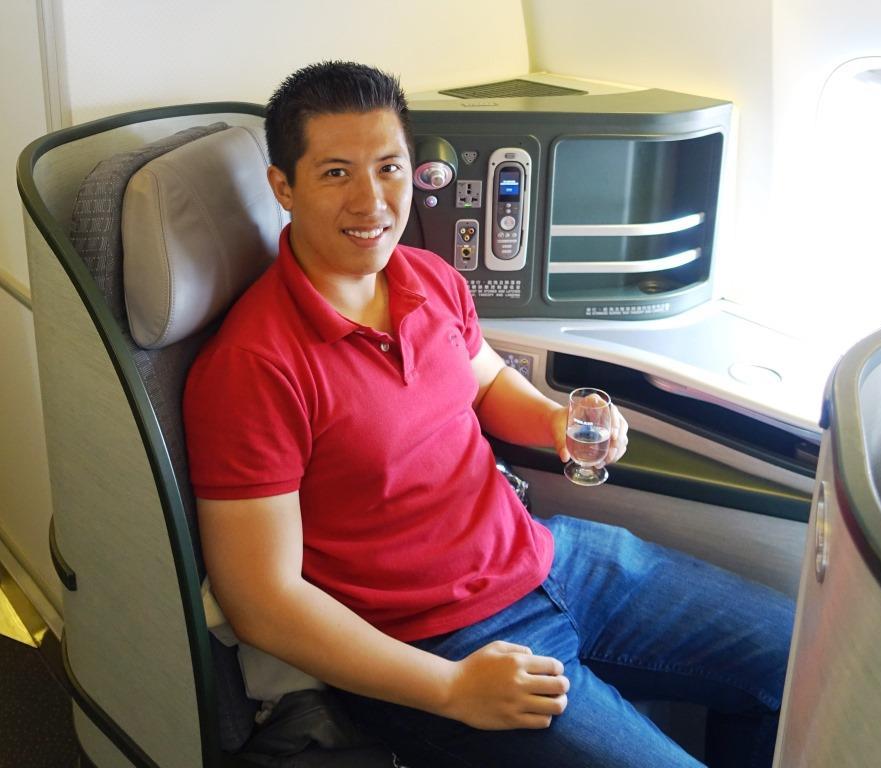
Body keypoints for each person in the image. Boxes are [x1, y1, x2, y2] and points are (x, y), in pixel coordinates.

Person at [183, 61, 794, 768]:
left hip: (552, 557)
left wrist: (555, 421)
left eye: (389, 167)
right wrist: (450, 689)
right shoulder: (251, 367)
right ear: (282, 187)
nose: (372, 201)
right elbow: (262, 600)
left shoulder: (428, 278)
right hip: (437, 643)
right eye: (335, 173)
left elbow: (484, 384)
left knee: (798, 655)